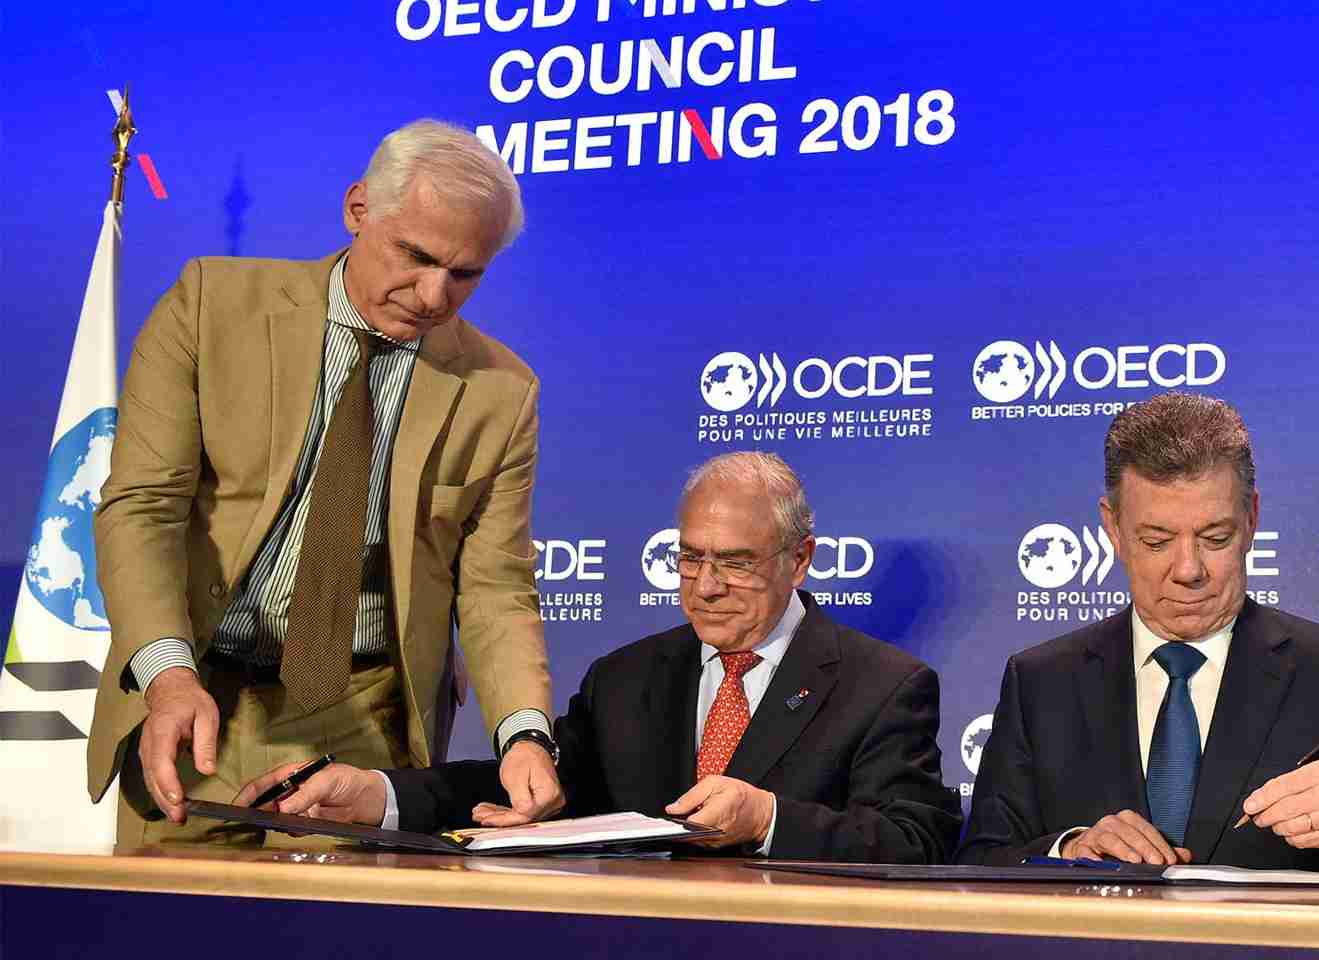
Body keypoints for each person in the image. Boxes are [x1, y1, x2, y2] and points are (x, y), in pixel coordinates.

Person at [88, 119, 563, 845]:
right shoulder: (211, 305)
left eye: (465, 274)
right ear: (358, 208)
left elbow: (496, 585)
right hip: (192, 691)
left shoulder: (502, 390)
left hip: (357, 718)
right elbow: (143, 507)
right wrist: (167, 675)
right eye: (416, 256)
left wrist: (524, 735)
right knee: (168, 907)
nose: (433, 294)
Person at [238, 452, 963, 863]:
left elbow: (916, 840)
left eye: (736, 563)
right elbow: (534, 790)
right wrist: (378, 796)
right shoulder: (627, 677)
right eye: (690, 558)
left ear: (799, 560)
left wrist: (768, 818)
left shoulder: (882, 685)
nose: (706, 587)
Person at [957, 393, 1319, 883]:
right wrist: (1069, 851)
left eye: (1215, 537)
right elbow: (979, 863)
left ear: (1250, 518)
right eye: (1156, 541)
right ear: (1113, 528)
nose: (1188, 569)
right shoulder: (1042, 681)